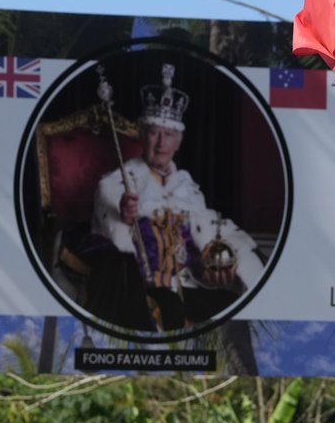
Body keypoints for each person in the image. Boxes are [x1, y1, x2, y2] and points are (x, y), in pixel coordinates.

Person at [88, 62, 265, 333]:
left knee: (230, 304)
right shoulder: (114, 184)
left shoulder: (188, 188)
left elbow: (196, 251)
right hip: (139, 289)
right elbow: (111, 243)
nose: (161, 143)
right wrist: (124, 215)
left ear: (178, 141)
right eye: (153, 133)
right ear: (141, 135)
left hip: (185, 287)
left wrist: (209, 273)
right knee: (170, 307)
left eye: (168, 134)